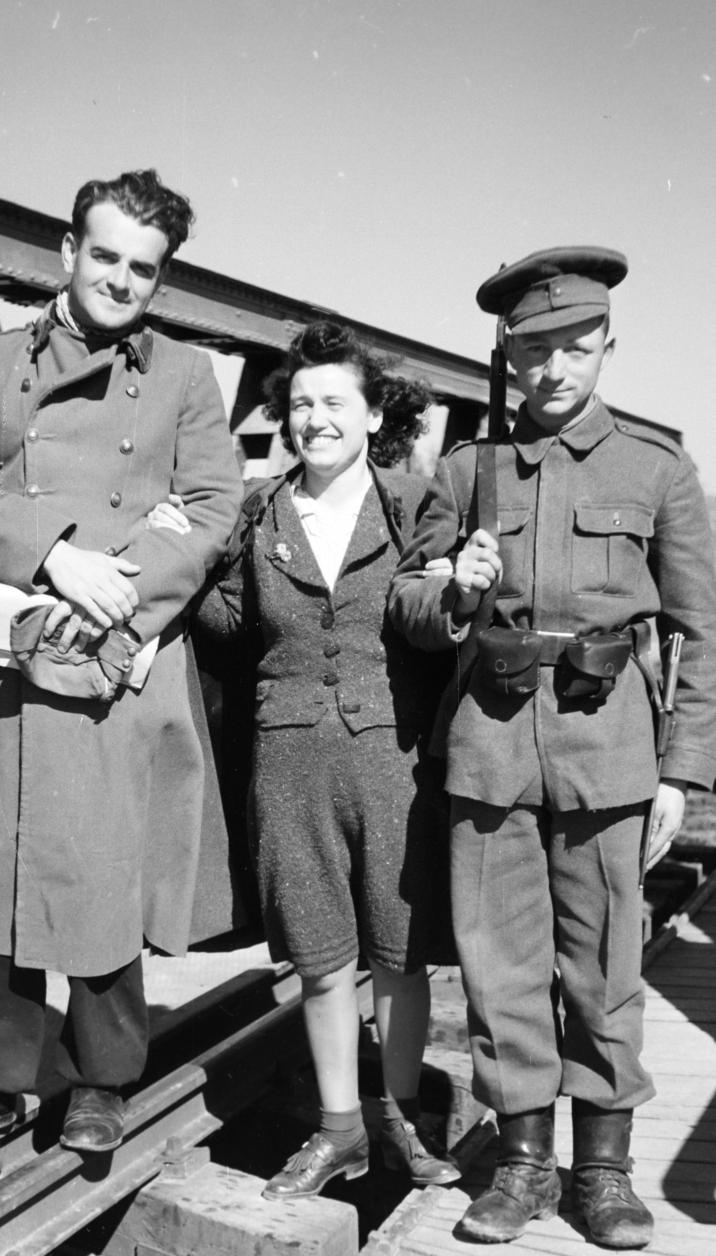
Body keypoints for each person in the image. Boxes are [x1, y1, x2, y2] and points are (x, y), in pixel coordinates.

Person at [0, 169, 242, 1154]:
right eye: (107, 255)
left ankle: (99, 1079)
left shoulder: (182, 377)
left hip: (113, 649)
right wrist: (54, 554)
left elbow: (213, 506)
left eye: (144, 267)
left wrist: (117, 588)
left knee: (100, 864)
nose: (122, 280)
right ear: (67, 250)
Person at [388, 248, 716, 1249]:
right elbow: (407, 607)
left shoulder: (655, 466)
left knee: (602, 967)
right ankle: (525, 1162)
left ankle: (604, 1169)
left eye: (574, 347)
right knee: (498, 967)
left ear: (603, 347)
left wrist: (682, 774)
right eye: (532, 349)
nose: (552, 369)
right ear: (506, 350)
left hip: (607, 760)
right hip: (489, 755)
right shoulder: (462, 472)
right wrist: (454, 584)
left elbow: (695, 632)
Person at [154, 320, 498, 1198]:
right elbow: (228, 626)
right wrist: (180, 554)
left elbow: (422, 613)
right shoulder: (256, 509)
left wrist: (458, 592)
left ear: (372, 408)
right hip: (288, 758)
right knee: (316, 958)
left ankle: (400, 1116)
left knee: (398, 953)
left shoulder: (411, 503)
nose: (314, 419)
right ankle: (339, 1130)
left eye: (333, 401)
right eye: (300, 404)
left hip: (392, 758)